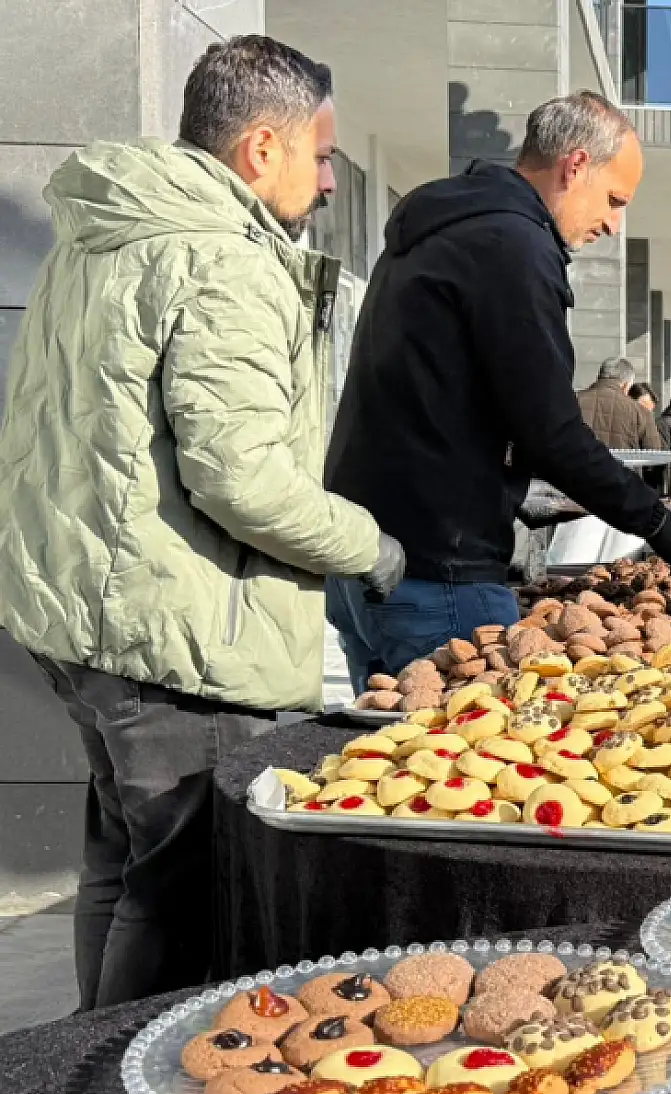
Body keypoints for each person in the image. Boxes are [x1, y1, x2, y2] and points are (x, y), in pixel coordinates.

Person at [0, 37, 401, 1009]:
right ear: (263, 148)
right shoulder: (225, 258)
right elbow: (240, 476)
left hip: (94, 619)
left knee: (123, 872)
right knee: (182, 900)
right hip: (182, 639)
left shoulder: (107, 235)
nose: (328, 176)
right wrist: (367, 544)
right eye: (321, 152)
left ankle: (75, 1075)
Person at [325, 91, 671, 690]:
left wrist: (517, 491)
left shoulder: (443, 228)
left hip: (364, 559)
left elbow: (447, 398)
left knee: (385, 770)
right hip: (439, 573)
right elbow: (550, 432)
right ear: (575, 167)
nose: (613, 224)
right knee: (470, 773)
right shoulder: (514, 246)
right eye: (614, 201)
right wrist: (659, 524)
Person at [578, 356, 665, 449]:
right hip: (620, 463)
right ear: (626, 384)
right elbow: (654, 454)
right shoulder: (640, 412)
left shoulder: (574, 401)